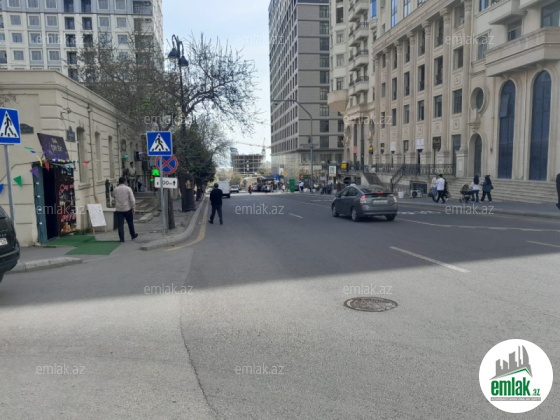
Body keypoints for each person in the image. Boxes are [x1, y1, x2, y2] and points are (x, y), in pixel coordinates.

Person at [113, 177, 138, 243]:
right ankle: (133, 235)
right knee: (130, 223)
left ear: (119, 182)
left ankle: (122, 238)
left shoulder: (115, 189)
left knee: (120, 224)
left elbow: (113, 196)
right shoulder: (128, 189)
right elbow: (132, 199)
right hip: (127, 208)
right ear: (125, 182)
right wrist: (133, 207)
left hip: (119, 209)